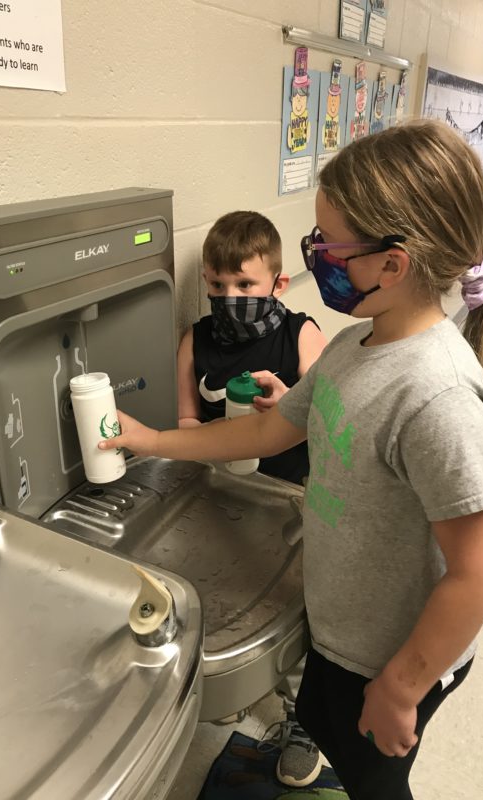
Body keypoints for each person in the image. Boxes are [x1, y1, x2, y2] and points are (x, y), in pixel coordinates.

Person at [100, 119, 483, 799]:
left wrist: (401, 688)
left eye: (327, 245)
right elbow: (267, 434)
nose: (316, 254)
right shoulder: (355, 348)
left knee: (375, 781)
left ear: (392, 263)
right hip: (345, 626)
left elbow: (482, 572)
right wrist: (151, 440)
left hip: (393, 653)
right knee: (324, 723)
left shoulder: (436, 395)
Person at [177, 209, 327, 786]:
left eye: (244, 285)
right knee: (237, 597)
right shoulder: (198, 338)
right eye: (218, 286)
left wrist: (288, 402)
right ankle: (246, 681)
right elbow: (186, 418)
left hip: (290, 494)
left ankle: (301, 715)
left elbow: (326, 417)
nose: (229, 296)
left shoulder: (300, 333)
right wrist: (208, 441)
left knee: (295, 609)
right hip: (222, 493)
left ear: (277, 285)